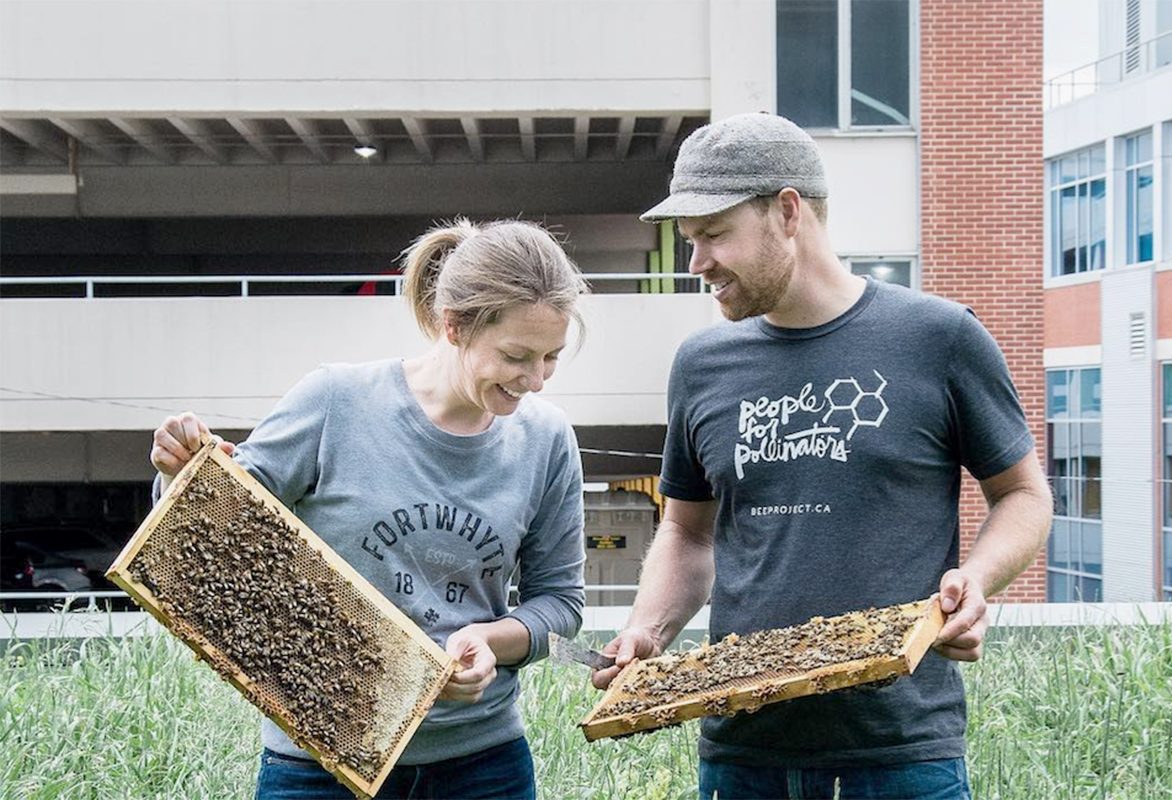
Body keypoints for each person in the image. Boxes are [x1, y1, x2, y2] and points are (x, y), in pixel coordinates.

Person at [592, 113, 1053, 800]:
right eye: (690, 242)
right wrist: (645, 631)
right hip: (744, 753)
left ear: (786, 212)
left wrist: (977, 580)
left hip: (902, 753)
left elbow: (1024, 494)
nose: (697, 265)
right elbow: (688, 531)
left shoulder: (940, 337)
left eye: (713, 235)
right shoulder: (700, 363)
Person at [151, 218, 589, 800]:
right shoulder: (335, 401)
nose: (535, 379)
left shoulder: (548, 438)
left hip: (480, 766)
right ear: (453, 326)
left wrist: (491, 638)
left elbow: (559, 604)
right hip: (317, 765)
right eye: (516, 355)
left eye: (551, 357)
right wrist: (178, 471)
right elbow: (207, 531)